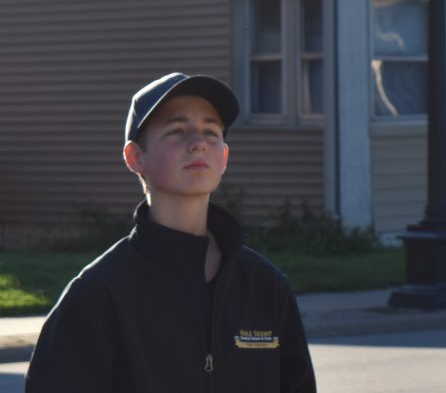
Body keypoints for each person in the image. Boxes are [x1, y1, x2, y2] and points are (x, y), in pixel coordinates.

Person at [25, 72, 317, 392]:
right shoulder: (99, 292)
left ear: (224, 157)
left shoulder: (265, 286)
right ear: (135, 157)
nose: (198, 144)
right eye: (177, 131)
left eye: (210, 131)